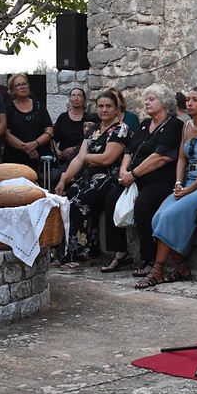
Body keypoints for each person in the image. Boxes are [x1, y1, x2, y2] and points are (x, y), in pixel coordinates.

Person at [134, 87, 197, 288]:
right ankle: (181, 266)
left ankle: (157, 270)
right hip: (188, 180)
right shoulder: (186, 126)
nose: (189, 103)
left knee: (169, 216)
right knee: (157, 217)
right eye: (188, 99)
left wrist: (189, 190)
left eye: (195, 100)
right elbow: (181, 159)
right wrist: (179, 183)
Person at [103, 84, 183, 275]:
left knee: (143, 206)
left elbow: (161, 157)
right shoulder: (145, 124)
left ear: (165, 103)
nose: (146, 102)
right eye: (146, 99)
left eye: (151, 99)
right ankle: (121, 252)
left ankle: (149, 258)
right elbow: (129, 150)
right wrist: (124, 171)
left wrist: (133, 174)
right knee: (111, 198)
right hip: (133, 177)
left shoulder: (174, 125)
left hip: (159, 180)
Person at [54, 91, 130, 266]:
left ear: (116, 108)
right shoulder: (94, 129)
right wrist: (64, 180)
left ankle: (80, 254)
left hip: (108, 178)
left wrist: (86, 157)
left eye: (108, 106)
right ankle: (63, 252)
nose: (104, 110)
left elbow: (107, 159)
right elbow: (78, 159)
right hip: (89, 176)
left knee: (78, 203)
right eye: (100, 106)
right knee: (63, 200)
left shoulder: (121, 130)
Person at [2, 73, 54, 175]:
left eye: (24, 84)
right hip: (15, 158)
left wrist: (35, 143)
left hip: (40, 157)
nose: (22, 87)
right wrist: (27, 149)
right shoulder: (7, 108)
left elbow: (49, 130)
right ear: (12, 90)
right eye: (18, 85)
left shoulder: (40, 106)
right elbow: (6, 134)